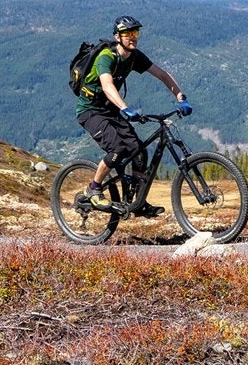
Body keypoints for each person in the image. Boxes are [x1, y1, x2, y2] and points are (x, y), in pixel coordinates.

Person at [75, 14, 191, 215]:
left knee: (139, 151)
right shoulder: (106, 57)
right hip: (91, 111)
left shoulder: (135, 56)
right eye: (128, 33)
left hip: (110, 110)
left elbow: (162, 74)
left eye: (135, 32)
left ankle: (137, 202)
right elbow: (107, 85)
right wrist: (124, 107)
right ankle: (93, 188)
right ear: (117, 37)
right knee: (117, 149)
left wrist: (180, 97)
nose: (133, 37)